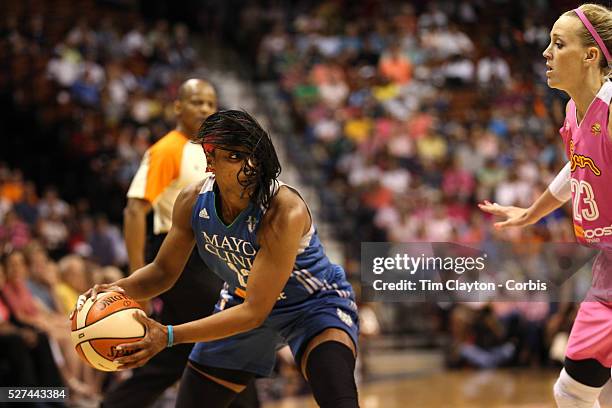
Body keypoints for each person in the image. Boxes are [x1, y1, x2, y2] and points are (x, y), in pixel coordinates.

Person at [78, 110, 360, 408]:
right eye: (236, 156)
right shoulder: (191, 202)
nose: (250, 165)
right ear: (209, 161)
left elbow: (255, 312)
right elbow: (162, 272)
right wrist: (118, 289)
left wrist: (169, 335)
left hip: (312, 306)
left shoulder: (284, 211)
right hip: (241, 301)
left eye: (253, 155)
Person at [480, 4, 612, 407]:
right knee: (571, 391)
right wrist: (531, 213)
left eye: (558, 44)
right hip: (607, 270)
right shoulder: (575, 110)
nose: (545, 53)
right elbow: (576, 168)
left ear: (590, 56)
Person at [102, 81, 259, 407]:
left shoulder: (213, 151)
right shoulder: (166, 150)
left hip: (208, 257)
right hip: (178, 256)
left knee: (174, 352)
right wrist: (136, 283)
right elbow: (134, 210)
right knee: (229, 332)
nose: (204, 109)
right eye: (196, 102)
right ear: (178, 107)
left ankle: (116, 404)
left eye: (209, 103)